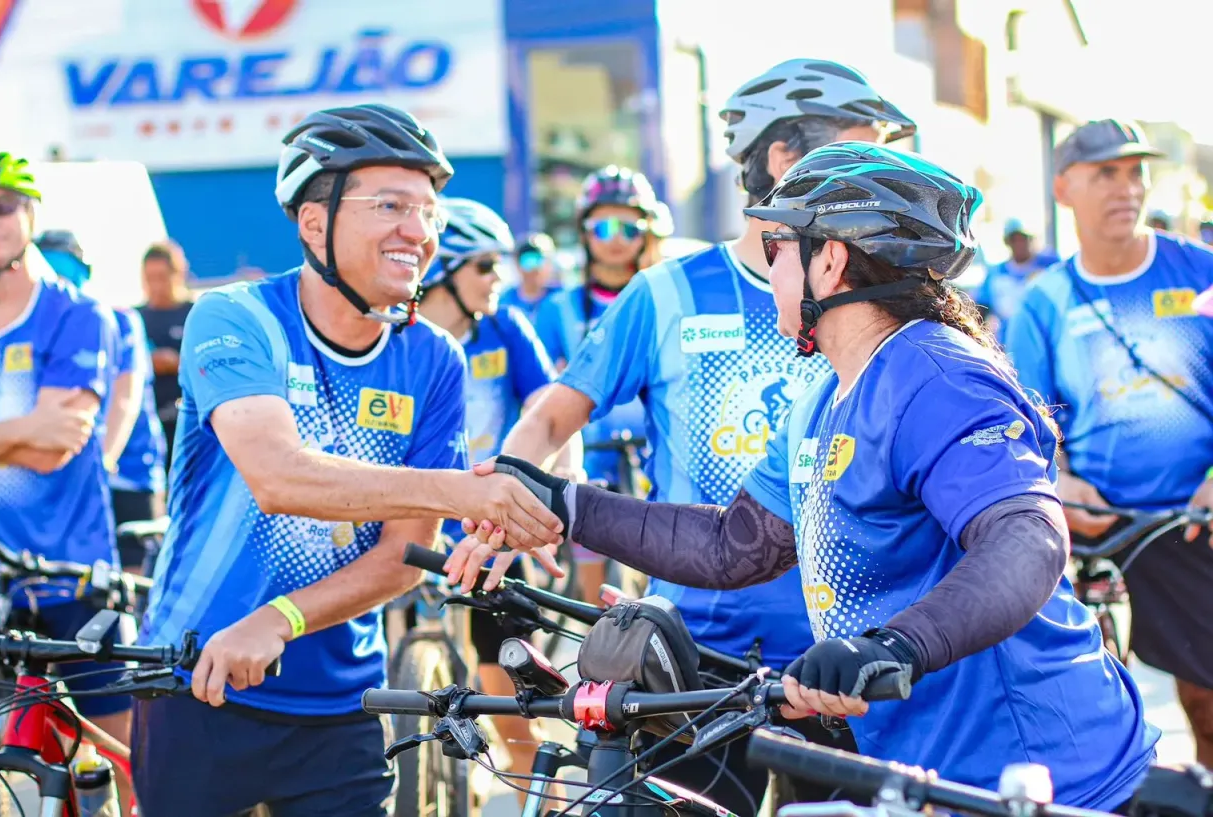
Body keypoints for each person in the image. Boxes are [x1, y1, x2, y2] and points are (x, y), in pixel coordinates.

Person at [449, 142, 1160, 811]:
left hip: (1049, 771)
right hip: (928, 769)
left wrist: (892, 647)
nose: (767, 273)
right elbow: (737, 544)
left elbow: (1027, 537)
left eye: (775, 249)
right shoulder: (823, 396)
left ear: (830, 264)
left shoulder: (938, 376)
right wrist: (563, 502)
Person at [492, 58, 917, 812]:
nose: (885, 174)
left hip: (856, 662)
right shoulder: (668, 293)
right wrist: (500, 509)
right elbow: (552, 416)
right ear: (785, 160)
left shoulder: (879, 294)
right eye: (864, 151)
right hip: (701, 664)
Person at [130, 104, 564, 817]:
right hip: (197, 681)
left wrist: (283, 617)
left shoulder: (431, 357)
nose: (419, 232)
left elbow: (405, 550)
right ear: (312, 223)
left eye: (428, 211)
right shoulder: (238, 318)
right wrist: (464, 491)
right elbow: (278, 476)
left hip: (341, 704)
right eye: (389, 205)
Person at [1005, 118, 1213, 766]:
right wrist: (1059, 481)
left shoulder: (1199, 271)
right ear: (1064, 188)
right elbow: (1026, 425)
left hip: (1195, 524)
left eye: (1135, 172)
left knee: (1207, 701)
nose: (1127, 188)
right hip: (1104, 535)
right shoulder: (1044, 302)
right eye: (1106, 173)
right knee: (1101, 719)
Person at [0, 150, 133, 749]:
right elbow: (32, 438)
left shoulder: (77, 313)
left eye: (2, 206)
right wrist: (24, 429)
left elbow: (59, 446)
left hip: (71, 572)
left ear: (29, 214)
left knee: (117, 751)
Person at [416, 197, 564, 793]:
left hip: (489, 525)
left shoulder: (505, 326)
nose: (498, 278)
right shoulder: (401, 337)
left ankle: (540, 793)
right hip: (417, 516)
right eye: (484, 265)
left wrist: (553, 492)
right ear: (445, 274)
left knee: (503, 670)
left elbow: (552, 413)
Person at [529, 165, 667, 603]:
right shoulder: (558, 308)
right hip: (591, 456)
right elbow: (542, 388)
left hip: (653, 453)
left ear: (647, 232)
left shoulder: (666, 296)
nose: (615, 237)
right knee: (593, 585)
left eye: (628, 226)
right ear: (584, 233)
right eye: (602, 226)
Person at [36, 230, 168, 572]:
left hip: (129, 475)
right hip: (66, 478)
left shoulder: (119, 319)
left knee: (127, 589)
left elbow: (126, 399)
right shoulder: (37, 328)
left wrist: (102, 462)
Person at [136, 240, 192, 473]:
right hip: (150, 431)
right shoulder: (135, 320)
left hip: (189, 428)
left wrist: (177, 363)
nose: (156, 286)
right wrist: (148, 363)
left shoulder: (195, 314)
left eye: (162, 277)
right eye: (150, 278)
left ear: (178, 274)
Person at [973, 217, 1059, 337]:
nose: (1019, 244)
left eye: (1023, 239)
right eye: (1014, 240)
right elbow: (981, 309)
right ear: (1007, 242)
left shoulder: (1050, 266)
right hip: (1009, 341)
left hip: (1048, 336)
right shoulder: (996, 274)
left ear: (1031, 240)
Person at [498, 231, 561, 322]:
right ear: (517, 264)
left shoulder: (562, 298)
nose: (537, 269)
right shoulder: (504, 302)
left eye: (542, 260)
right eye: (529, 261)